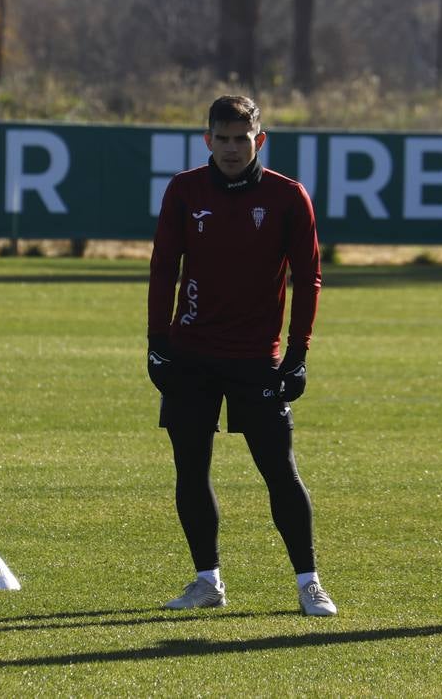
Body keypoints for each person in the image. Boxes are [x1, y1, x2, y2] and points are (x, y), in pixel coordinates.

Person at [147, 94, 335, 616]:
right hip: (190, 355)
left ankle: (309, 583)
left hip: (256, 358)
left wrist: (298, 353)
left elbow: (309, 278)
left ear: (260, 139)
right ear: (207, 139)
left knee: (280, 470)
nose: (232, 149)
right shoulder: (185, 190)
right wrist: (156, 342)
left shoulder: (287, 197)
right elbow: (164, 267)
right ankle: (207, 581)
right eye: (222, 139)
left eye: (242, 139)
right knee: (190, 469)